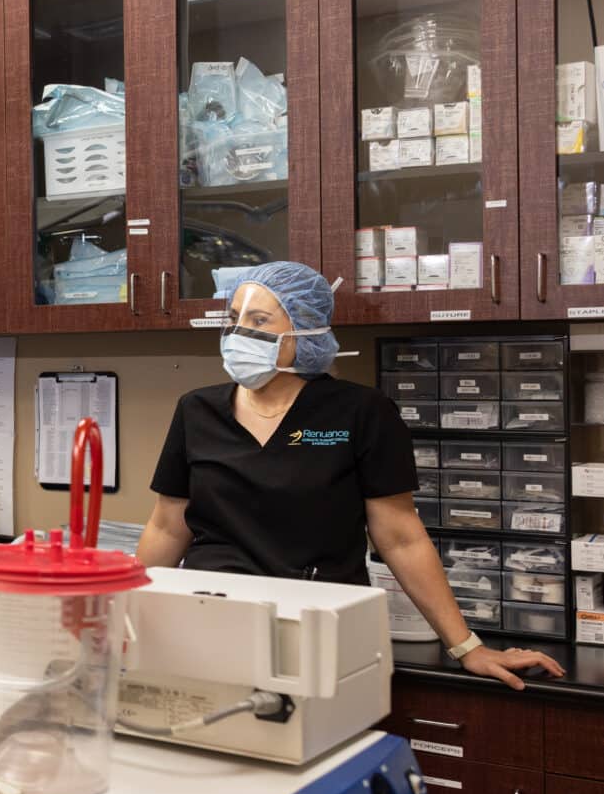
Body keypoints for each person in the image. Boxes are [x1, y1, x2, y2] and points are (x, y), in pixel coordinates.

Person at [137, 261, 563, 691]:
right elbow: (167, 526)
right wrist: (120, 614)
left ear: (305, 328)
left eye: (259, 320)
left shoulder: (360, 412)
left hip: (316, 622)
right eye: (233, 320)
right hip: (211, 618)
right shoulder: (198, 410)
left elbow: (400, 536)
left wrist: (467, 646)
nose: (238, 335)